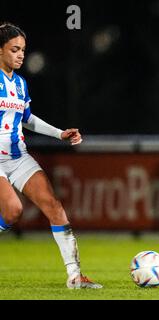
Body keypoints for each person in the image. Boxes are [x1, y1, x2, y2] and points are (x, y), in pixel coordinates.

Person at [0, 23, 102, 289]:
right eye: (14, 49)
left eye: (23, 49)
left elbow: (27, 119)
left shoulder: (20, 84)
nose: (21, 55)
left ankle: (75, 276)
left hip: (17, 155)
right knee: (13, 211)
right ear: (0, 51)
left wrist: (59, 134)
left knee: (54, 206)